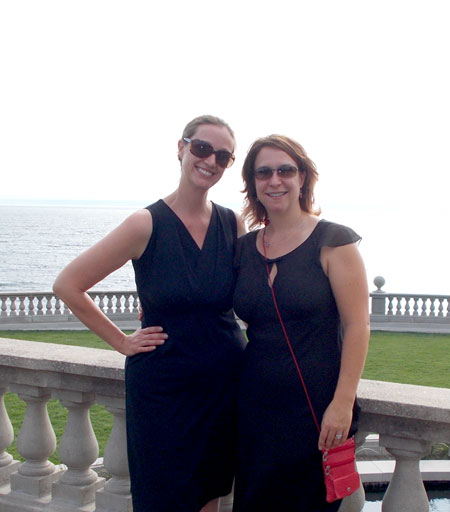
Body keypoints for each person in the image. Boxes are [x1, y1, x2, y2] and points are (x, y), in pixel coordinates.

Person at [53, 115, 247, 512]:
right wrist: (121, 341)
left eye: (223, 156)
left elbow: (249, 295)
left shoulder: (232, 222)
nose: (210, 160)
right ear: (181, 148)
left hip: (222, 382)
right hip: (164, 387)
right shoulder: (146, 223)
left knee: (210, 491)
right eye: (202, 148)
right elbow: (68, 285)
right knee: (164, 493)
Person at [232, 135, 370, 511]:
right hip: (255, 405)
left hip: (316, 407)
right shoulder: (243, 249)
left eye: (285, 170)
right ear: (253, 184)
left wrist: (342, 403)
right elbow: (209, 299)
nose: (275, 180)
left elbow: (357, 326)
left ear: (303, 178)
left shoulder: (333, 242)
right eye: (264, 173)